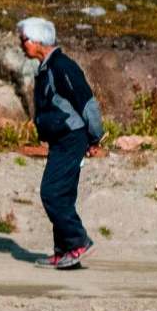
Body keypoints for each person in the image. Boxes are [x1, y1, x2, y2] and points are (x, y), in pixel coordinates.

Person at [18, 17, 101, 270]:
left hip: (71, 137)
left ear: (37, 41)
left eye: (24, 40)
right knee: (62, 194)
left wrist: (95, 136)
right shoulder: (45, 67)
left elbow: (87, 103)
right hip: (61, 138)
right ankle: (64, 251)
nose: (22, 45)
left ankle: (78, 242)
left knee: (52, 193)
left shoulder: (62, 66)